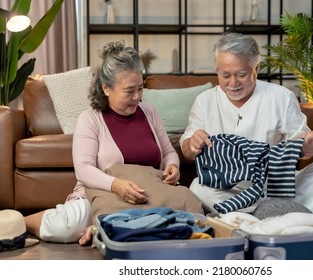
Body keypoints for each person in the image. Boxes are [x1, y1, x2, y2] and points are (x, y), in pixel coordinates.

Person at [24, 40, 202, 245]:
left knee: (189, 216)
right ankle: (25, 221)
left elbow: (169, 151)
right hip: (105, 192)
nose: (137, 97)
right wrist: (116, 185)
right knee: (64, 228)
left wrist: (173, 166)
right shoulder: (90, 119)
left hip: (149, 193)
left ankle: (106, 226)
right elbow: (83, 169)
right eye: (129, 91)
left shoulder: (149, 112)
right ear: (106, 88)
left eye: (140, 89)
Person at [180, 32, 313, 215]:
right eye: (225, 75)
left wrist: (311, 141)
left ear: (256, 69)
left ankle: (255, 218)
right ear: (217, 69)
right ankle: (281, 217)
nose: (233, 83)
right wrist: (193, 143)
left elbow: (303, 141)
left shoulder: (281, 96)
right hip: (227, 190)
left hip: (276, 189)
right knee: (197, 187)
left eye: (242, 75)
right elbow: (187, 150)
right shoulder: (204, 101)